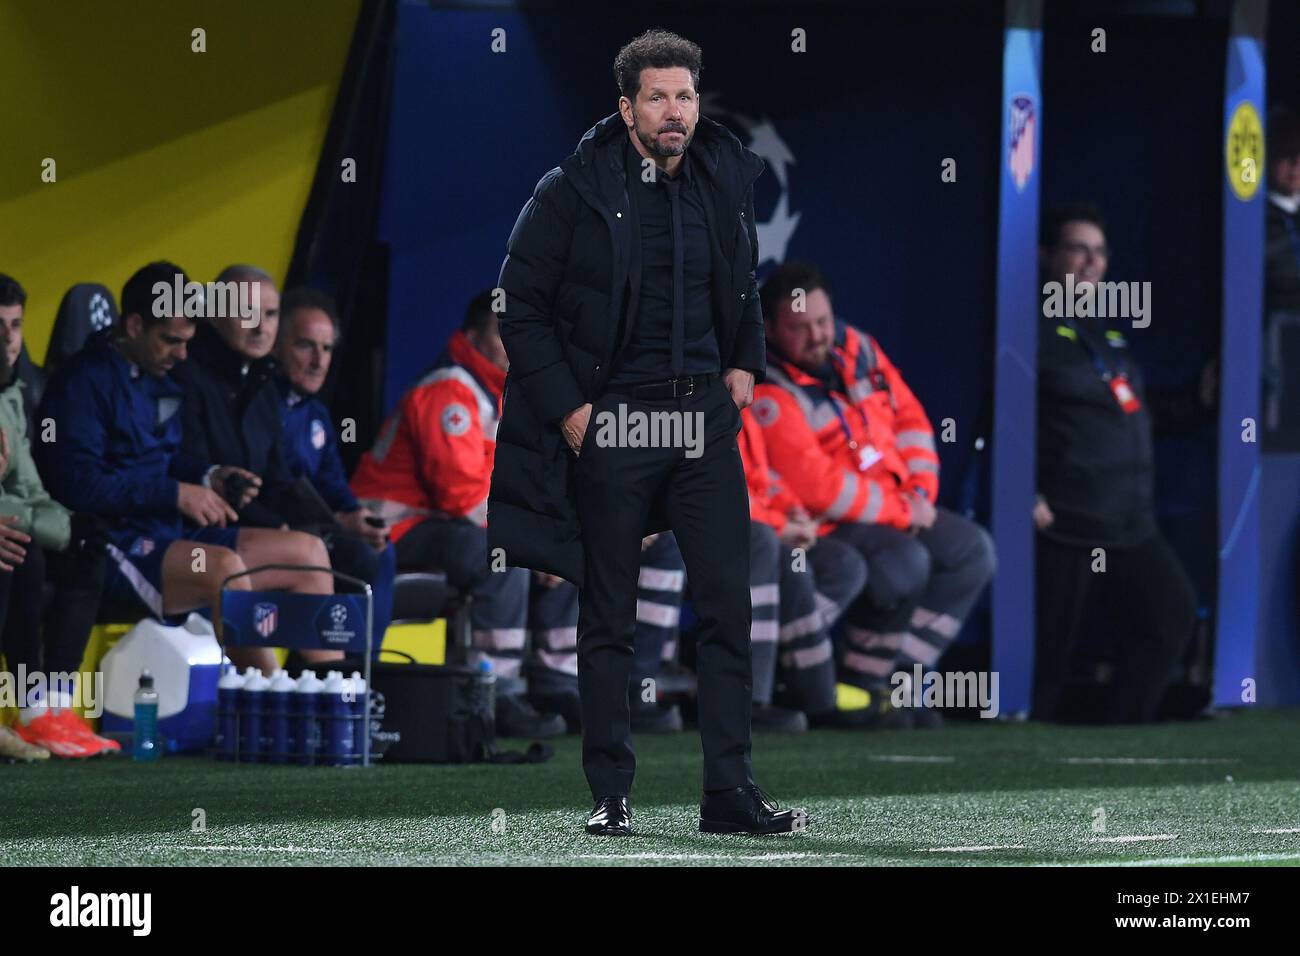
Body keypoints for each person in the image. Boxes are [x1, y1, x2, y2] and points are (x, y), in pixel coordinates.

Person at [489, 29, 806, 836]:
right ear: (626, 106)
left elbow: (742, 284)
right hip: (616, 418)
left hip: (703, 415)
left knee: (727, 608)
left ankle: (729, 794)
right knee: (609, 615)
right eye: (659, 97)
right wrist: (569, 410)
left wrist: (746, 360)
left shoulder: (724, 174)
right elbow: (516, 306)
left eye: (687, 95)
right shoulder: (570, 190)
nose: (676, 111)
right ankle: (611, 795)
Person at [35, 262, 338, 675]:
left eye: (188, 342)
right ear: (136, 325)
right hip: (119, 543)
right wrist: (175, 493)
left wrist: (208, 476)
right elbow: (76, 487)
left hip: (169, 531)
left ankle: (335, 701)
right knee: (223, 568)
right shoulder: (81, 383)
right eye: (171, 341)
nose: (182, 355)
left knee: (308, 553)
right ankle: (275, 702)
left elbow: (168, 457)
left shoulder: (161, 372)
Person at [756, 262, 996, 727]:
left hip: (898, 505)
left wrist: (921, 493)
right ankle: (853, 688)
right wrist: (903, 511)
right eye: (799, 328)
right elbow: (817, 487)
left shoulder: (858, 347)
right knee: (904, 561)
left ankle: (899, 685)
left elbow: (910, 418)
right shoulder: (766, 382)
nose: (818, 336)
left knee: (973, 550)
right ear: (769, 329)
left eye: (823, 322)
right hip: (827, 521)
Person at [351, 292, 567, 738]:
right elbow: (462, 496)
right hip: (388, 530)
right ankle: (496, 694)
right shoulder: (450, 388)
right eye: (502, 333)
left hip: (441, 527)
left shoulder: (504, 394)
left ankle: (557, 683)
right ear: (473, 336)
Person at [1033, 205, 1196, 723]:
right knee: (1045, 660)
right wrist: (1020, 489)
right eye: (1078, 249)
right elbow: (1001, 418)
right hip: (1066, 523)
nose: (1091, 262)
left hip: (1129, 523)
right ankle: (1019, 750)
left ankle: (1121, 733)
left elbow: (1134, 414)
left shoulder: (1108, 333)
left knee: (1170, 615)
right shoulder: (1025, 329)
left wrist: (1202, 400)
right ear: (1046, 256)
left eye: (1099, 251)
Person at [173, 265, 385, 652]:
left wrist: (319, 522)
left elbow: (278, 478)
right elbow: (187, 468)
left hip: (246, 528)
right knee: (307, 551)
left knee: (337, 549)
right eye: (247, 312)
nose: (260, 326)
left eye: (269, 314)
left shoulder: (261, 382)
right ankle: (327, 689)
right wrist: (283, 526)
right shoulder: (186, 375)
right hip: (188, 534)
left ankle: (338, 682)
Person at [0, 275, 113, 757]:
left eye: (15, 325)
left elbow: (25, 488)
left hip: (12, 522)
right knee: (22, 556)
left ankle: (55, 706)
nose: (7, 339)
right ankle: (27, 710)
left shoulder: (11, 395)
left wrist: (70, 530)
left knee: (86, 554)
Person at [273, 287, 395, 649]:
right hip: (277, 526)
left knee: (380, 547)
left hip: (317, 526)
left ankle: (365, 670)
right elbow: (277, 486)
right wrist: (339, 523)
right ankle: (336, 669)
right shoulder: (261, 404)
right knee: (356, 555)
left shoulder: (316, 415)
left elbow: (334, 485)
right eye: (305, 345)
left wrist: (357, 516)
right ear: (277, 345)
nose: (318, 361)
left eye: (326, 349)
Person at [737, 405, 870, 730]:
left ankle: (803, 687)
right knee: (771, 547)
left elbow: (761, 477)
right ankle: (751, 698)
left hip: (761, 521)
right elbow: (712, 486)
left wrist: (793, 511)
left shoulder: (740, 404)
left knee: (843, 564)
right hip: (705, 529)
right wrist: (780, 524)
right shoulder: (698, 399)